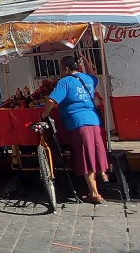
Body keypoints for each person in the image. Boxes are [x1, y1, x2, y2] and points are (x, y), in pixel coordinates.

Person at [41, 55, 109, 204]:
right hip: (94, 121)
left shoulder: (65, 82)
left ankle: (95, 194)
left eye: (60, 67)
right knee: (96, 151)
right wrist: (86, 60)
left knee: (86, 157)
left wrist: (44, 114)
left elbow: (51, 100)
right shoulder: (87, 79)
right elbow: (93, 74)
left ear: (65, 68)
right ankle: (103, 174)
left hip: (78, 123)